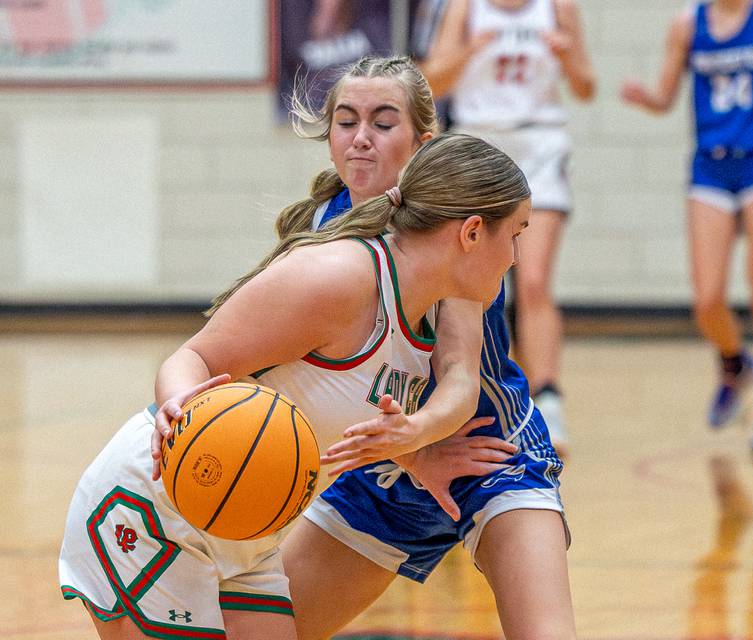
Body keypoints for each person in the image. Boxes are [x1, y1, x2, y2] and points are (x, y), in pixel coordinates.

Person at [58, 131, 532, 640]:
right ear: (473, 232)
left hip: (247, 527)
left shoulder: (427, 310)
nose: (515, 259)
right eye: (517, 234)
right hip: (157, 505)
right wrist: (179, 406)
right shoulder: (339, 277)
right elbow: (193, 356)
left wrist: (413, 451)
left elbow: (331, 412)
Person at [275, 56, 576, 640]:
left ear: (422, 140)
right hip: (379, 472)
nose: (361, 138)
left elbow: (460, 374)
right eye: (346, 120)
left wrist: (419, 435)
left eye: (383, 122)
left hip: (486, 454)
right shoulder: (317, 231)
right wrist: (407, 454)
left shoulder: (451, 221)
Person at [419, 0, 597, 457]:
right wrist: (467, 51)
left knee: (533, 280)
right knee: (474, 284)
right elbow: (431, 82)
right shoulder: (465, 8)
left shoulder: (558, 8)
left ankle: (549, 398)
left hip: (540, 142)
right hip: (481, 142)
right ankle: (480, 395)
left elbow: (586, 86)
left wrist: (567, 56)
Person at [620, 0, 753, 453]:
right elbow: (665, 97)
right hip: (711, 168)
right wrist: (645, 97)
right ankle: (737, 363)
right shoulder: (687, 25)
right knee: (707, 300)